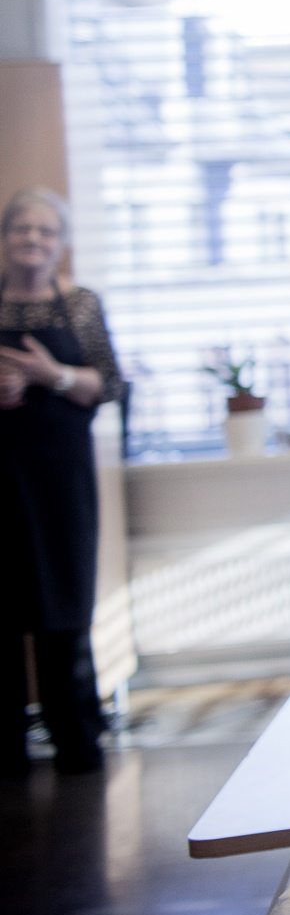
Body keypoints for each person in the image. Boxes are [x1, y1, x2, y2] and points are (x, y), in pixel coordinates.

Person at [0, 186, 122, 777]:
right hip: (1, 477)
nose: (33, 240)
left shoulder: (79, 304)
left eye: (46, 232)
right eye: (23, 229)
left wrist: (52, 376)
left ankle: (76, 743)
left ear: (62, 243)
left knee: (63, 604)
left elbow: (109, 384)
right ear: (5, 238)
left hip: (60, 478)